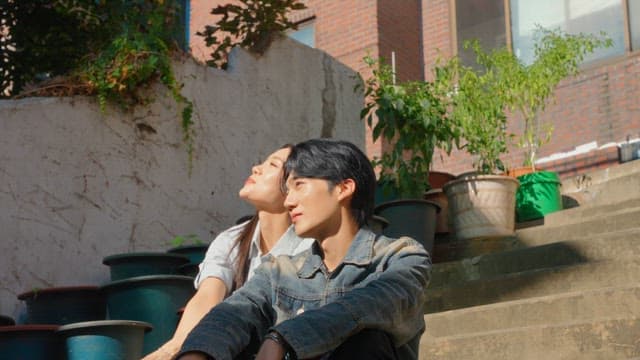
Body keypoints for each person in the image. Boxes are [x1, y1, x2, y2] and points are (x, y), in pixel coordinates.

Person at [176, 138, 432, 360]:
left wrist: (282, 338)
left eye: (299, 185)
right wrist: (196, 353)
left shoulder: (401, 257)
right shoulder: (279, 270)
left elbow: (368, 305)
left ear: (344, 188)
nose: (288, 201)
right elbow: (234, 312)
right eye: (287, 190)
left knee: (365, 340)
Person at [144, 145, 313, 359]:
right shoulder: (232, 239)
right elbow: (207, 296)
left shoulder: (309, 247)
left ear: (295, 188)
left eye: (273, 164)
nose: (256, 169)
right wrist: (171, 349)